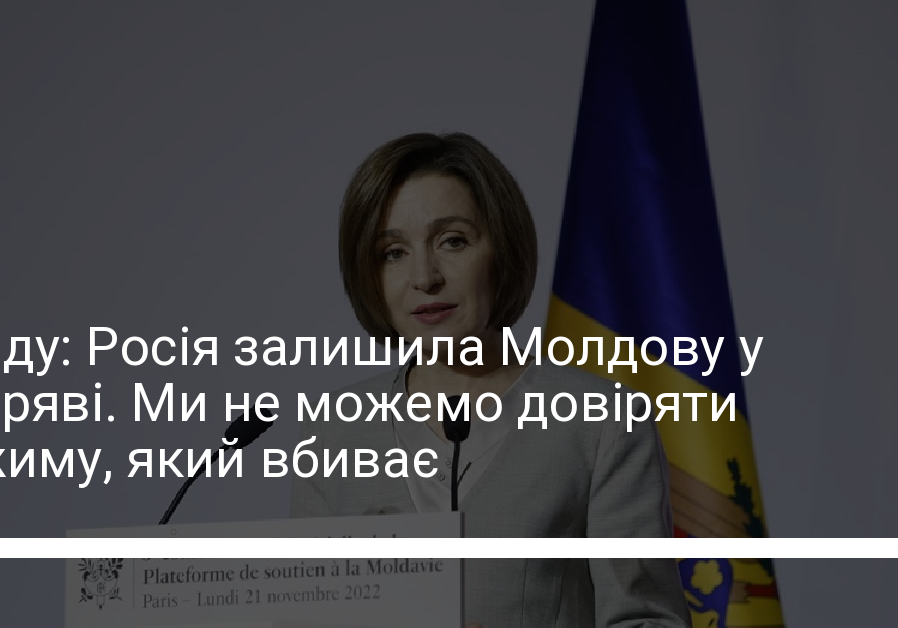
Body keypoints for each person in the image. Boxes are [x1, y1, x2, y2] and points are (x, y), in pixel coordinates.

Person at [290, 132, 690, 627]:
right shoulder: (332, 432)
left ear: (503, 250)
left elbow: (646, 620)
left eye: (452, 241)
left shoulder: (602, 421)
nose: (425, 277)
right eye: (392, 252)